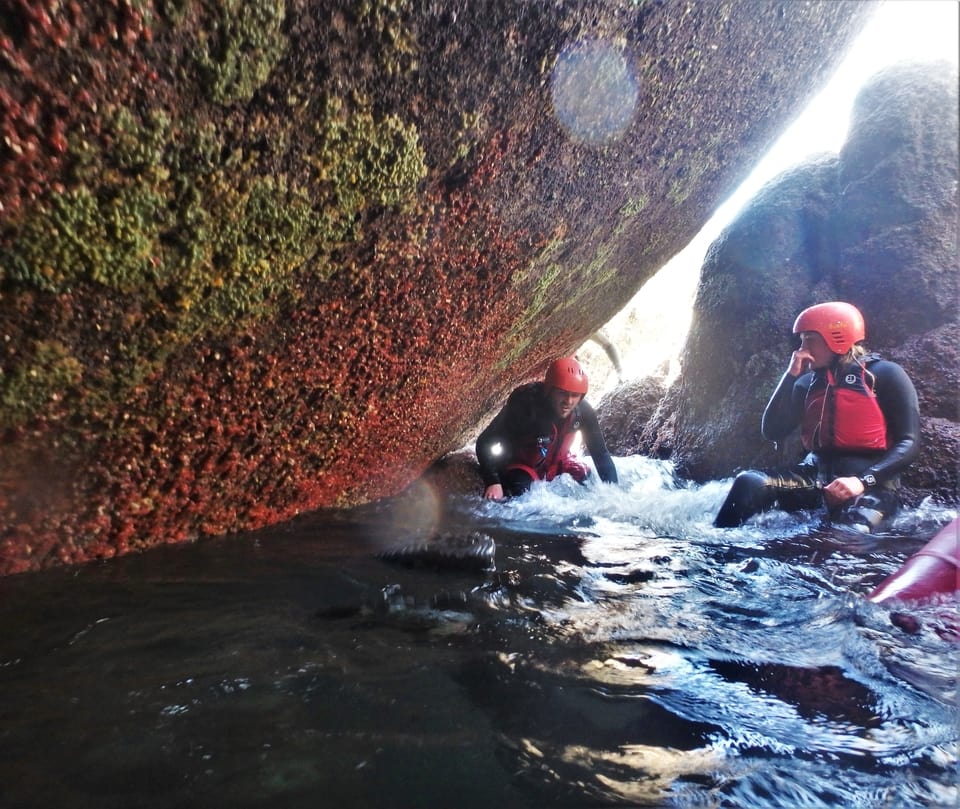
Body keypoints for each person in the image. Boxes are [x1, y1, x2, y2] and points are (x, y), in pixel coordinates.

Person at [713, 301, 920, 532]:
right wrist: (790, 376)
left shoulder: (885, 375)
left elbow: (909, 442)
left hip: (872, 484)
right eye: (801, 340)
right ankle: (716, 549)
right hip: (816, 476)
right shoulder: (806, 384)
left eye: (809, 339)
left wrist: (862, 481)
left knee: (848, 534)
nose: (801, 349)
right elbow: (771, 430)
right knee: (750, 482)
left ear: (837, 338)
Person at [476, 356, 618, 500]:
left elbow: (601, 454)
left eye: (574, 396)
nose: (568, 401)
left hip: (558, 465)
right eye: (562, 393)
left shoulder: (583, 412)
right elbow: (484, 442)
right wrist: (493, 482)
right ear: (549, 390)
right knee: (521, 494)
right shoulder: (525, 407)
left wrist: (614, 495)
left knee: (588, 480)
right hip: (523, 467)